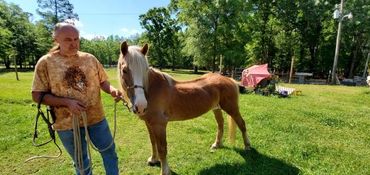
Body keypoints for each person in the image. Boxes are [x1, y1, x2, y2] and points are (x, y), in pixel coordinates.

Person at [31, 21, 121, 175]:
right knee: (81, 161)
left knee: (109, 152)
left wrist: (112, 90)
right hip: (66, 123)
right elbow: (37, 95)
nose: (73, 43)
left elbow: (103, 82)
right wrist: (66, 102)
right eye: (68, 39)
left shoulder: (90, 59)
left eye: (76, 39)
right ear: (56, 40)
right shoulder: (46, 62)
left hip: (96, 118)